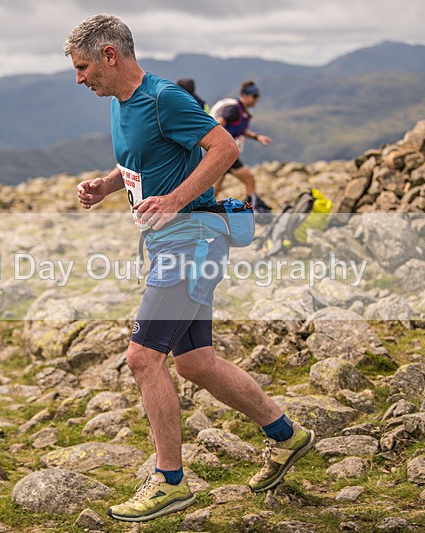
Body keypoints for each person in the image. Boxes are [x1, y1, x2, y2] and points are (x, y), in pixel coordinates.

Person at [64, 14, 315, 523]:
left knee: (142, 358)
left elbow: (225, 147)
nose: (79, 78)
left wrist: (176, 200)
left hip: (190, 242)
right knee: (196, 363)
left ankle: (169, 482)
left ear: (110, 55)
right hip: (170, 244)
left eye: (83, 67)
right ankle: (287, 435)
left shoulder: (163, 98)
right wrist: (106, 186)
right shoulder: (121, 103)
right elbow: (140, 161)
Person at [211, 81, 273, 213]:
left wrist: (257, 137)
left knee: (216, 187)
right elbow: (219, 123)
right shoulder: (234, 110)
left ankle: (204, 211)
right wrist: (222, 142)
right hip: (226, 153)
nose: (256, 99)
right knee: (249, 179)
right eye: (254, 96)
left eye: (257, 96)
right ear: (244, 95)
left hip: (224, 153)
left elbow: (239, 129)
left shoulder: (243, 113)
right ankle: (252, 209)